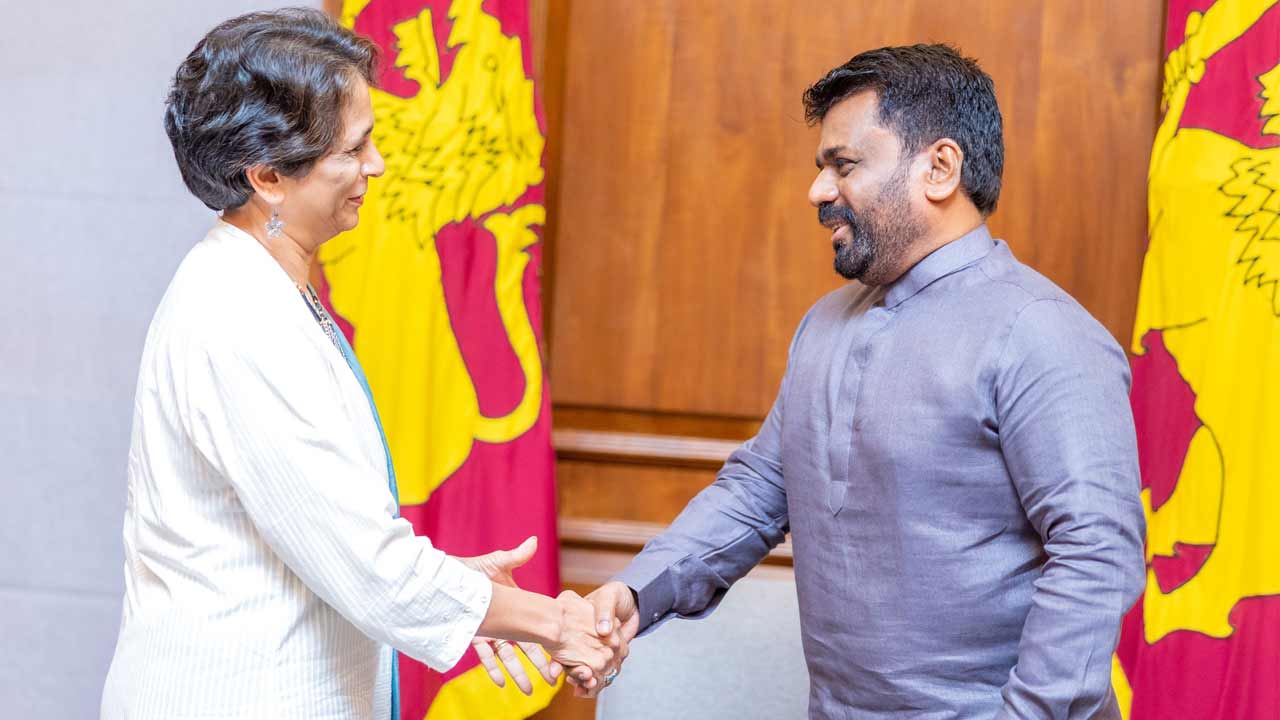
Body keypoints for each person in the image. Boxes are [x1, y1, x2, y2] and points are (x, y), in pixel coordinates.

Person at [572, 44, 1147, 718]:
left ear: (940, 168)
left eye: (843, 166)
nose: (818, 191)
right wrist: (636, 592)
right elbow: (758, 491)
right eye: (822, 169)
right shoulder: (825, 323)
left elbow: (1096, 554)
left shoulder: (1042, 332)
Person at [99, 9, 613, 719]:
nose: (377, 165)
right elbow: (368, 566)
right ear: (268, 176)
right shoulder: (240, 316)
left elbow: (318, 534)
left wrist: (461, 588)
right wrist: (555, 623)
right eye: (354, 147)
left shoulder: (262, 286)